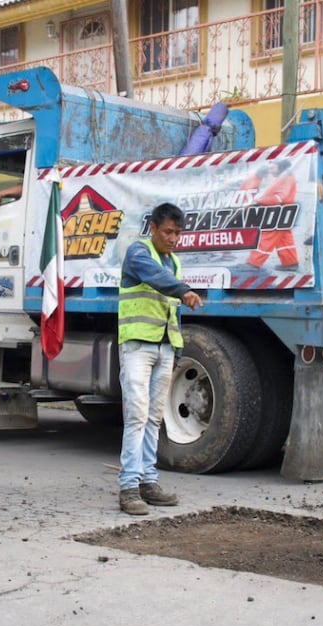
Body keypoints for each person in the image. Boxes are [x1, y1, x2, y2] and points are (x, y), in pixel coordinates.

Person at [117, 202, 204, 515]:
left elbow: (171, 312)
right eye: (168, 231)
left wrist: (175, 347)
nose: (173, 238)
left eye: (178, 233)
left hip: (165, 347)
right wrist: (183, 291)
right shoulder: (139, 254)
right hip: (138, 347)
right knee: (137, 416)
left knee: (154, 418)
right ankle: (128, 486)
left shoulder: (174, 263)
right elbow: (155, 278)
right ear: (152, 227)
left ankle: (147, 482)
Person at [244, 160, 299, 271]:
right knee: (284, 239)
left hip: (278, 212)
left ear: (281, 167)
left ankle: (253, 263)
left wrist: (260, 201)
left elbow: (280, 198)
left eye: (272, 168)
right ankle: (290, 263)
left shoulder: (286, 178)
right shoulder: (285, 177)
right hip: (282, 212)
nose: (270, 171)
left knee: (266, 237)